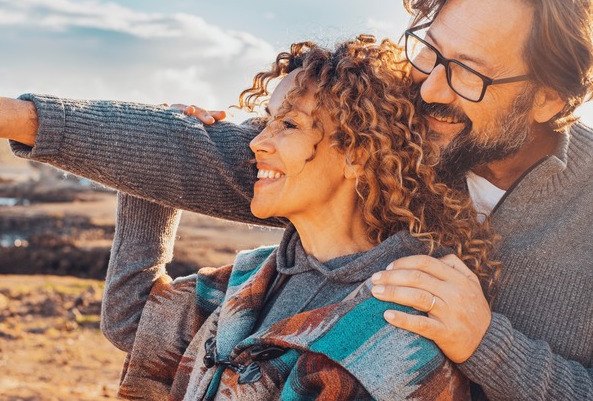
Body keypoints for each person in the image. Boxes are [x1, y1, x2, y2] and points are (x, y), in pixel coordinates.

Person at [0, 0, 593, 399]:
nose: (428, 88)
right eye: (429, 51)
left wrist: (488, 344)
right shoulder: (401, 139)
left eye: (467, 74)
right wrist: (7, 114)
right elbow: (199, 156)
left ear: (553, 100)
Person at [102, 37, 496, 399]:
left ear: (357, 154)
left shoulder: (406, 313)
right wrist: (153, 157)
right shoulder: (256, 276)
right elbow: (132, 320)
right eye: (268, 121)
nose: (257, 142)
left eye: (288, 124)